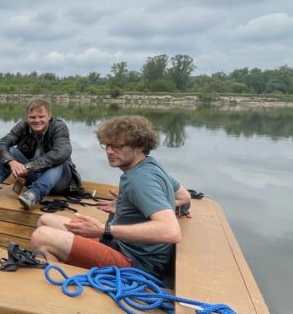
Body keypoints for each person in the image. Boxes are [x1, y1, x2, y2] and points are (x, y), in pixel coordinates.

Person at [30, 115, 184, 278]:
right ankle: (61, 270)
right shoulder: (149, 165)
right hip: (122, 244)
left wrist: (105, 230)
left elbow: (171, 231)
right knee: (45, 220)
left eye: (117, 146)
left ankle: (58, 283)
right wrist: (133, 204)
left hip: (137, 263)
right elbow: (184, 196)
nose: (109, 151)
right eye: (107, 145)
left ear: (139, 146)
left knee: (41, 237)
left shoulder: (140, 180)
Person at [0, 97, 80, 210]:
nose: (37, 120)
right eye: (32, 117)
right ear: (27, 117)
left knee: (59, 160)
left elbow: (63, 152)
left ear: (49, 116)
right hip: (33, 177)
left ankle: (34, 195)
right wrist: (11, 161)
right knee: (11, 151)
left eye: (41, 117)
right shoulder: (23, 126)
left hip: (60, 183)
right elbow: (0, 144)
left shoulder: (58, 127)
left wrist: (28, 166)